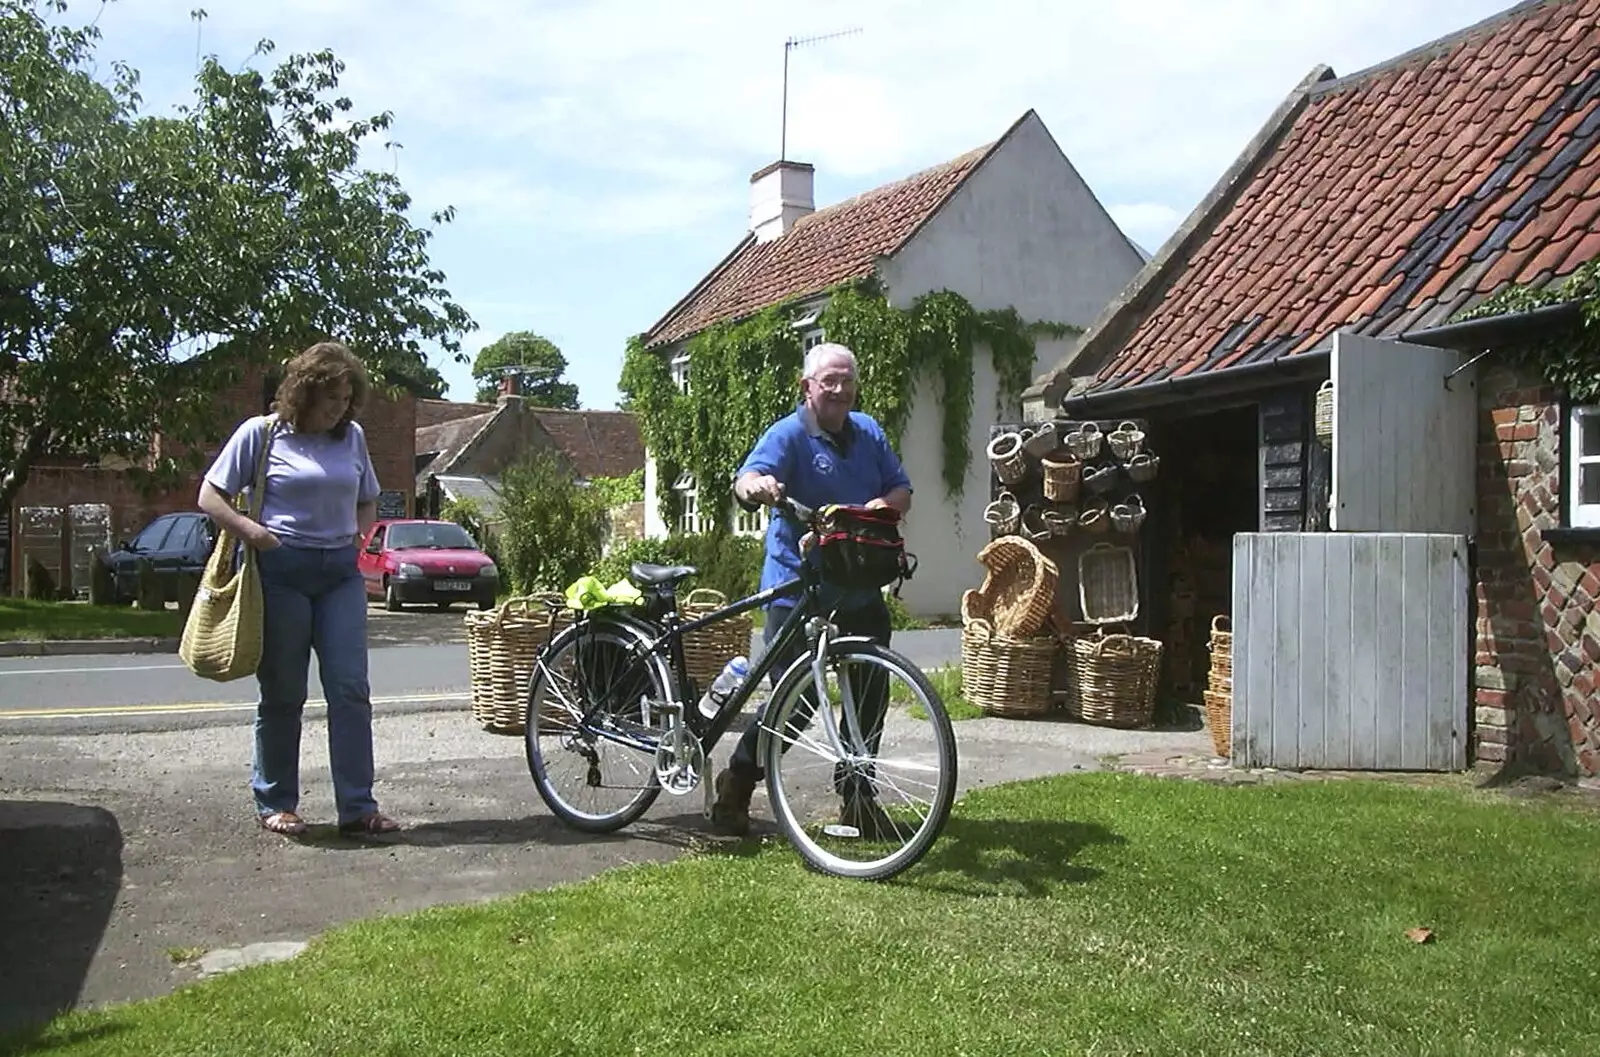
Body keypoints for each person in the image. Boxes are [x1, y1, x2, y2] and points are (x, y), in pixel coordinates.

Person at [710, 342, 912, 838]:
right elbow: (747, 478)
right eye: (830, 381)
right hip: (796, 588)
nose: (840, 389)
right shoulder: (790, 434)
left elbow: (901, 490)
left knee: (868, 693)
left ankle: (858, 799)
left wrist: (877, 506)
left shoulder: (869, 433)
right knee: (792, 703)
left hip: (858, 587)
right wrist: (757, 487)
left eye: (847, 380)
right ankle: (737, 781)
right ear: (808, 387)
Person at [197, 341, 399, 838]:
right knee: (284, 692)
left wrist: (359, 537)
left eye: (347, 399)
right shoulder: (262, 435)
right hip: (281, 570)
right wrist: (254, 533)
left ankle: (357, 808)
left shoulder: (352, 437)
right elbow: (209, 495)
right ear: (304, 393)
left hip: (340, 575)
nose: (339, 409)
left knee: (350, 689)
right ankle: (276, 802)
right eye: (331, 398)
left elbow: (368, 498)